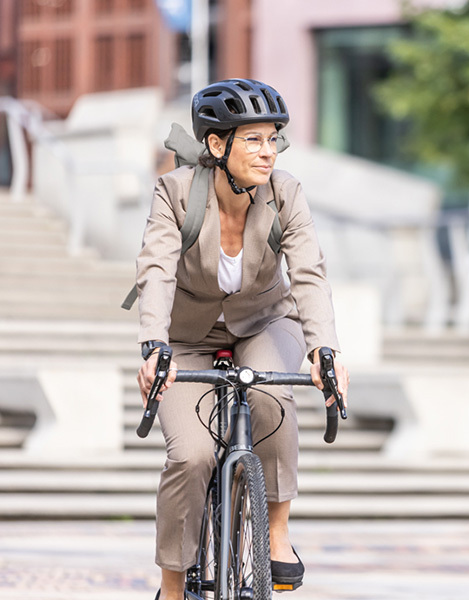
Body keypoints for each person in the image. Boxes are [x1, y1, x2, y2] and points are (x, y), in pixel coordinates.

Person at [134, 78, 349, 600]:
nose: (268, 151)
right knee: (191, 455)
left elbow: (310, 273)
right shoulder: (176, 192)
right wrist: (153, 345)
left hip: (264, 321)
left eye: (272, 138)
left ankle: (276, 536)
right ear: (216, 144)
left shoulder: (286, 192)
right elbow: (157, 269)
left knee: (272, 397)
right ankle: (171, 584)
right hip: (186, 335)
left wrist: (325, 349)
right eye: (252, 139)